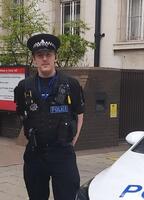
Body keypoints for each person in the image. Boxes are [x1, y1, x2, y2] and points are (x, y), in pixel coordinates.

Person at [14, 33, 85, 200]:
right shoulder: (24, 87)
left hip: (63, 154)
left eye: (48, 55)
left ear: (55, 57)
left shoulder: (71, 84)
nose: (44, 59)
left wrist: (71, 142)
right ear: (34, 59)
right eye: (40, 55)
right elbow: (23, 116)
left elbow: (80, 115)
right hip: (35, 155)